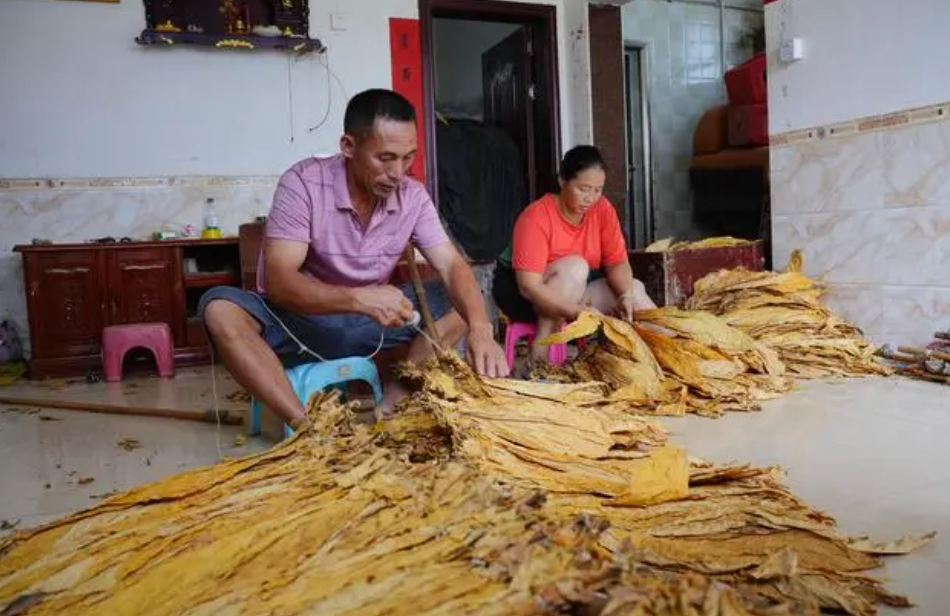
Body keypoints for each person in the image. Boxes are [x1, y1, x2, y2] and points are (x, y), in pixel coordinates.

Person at [200, 89, 508, 430]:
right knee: (220, 309)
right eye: (386, 157)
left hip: (370, 323)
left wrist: (482, 328)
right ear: (348, 147)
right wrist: (359, 298)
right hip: (299, 319)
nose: (398, 173)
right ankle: (306, 428)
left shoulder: (413, 197)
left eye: (408, 158)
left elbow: (452, 266)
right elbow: (279, 283)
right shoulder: (303, 183)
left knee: (463, 304)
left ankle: (394, 402)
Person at [492, 145, 656, 361]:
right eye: (583, 189)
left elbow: (617, 263)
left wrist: (625, 295)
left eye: (597, 190)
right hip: (525, 297)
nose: (590, 198)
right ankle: (541, 358)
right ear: (562, 181)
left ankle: (676, 356)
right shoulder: (537, 216)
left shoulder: (602, 210)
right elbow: (528, 286)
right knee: (575, 267)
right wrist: (575, 312)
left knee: (634, 289)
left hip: (575, 293)